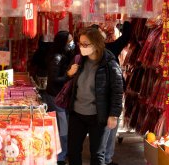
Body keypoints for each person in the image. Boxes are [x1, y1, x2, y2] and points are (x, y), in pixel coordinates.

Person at [67, 27, 124, 165]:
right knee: (73, 151)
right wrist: (69, 73)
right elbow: (69, 82)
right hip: (77, 113)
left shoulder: (110, 63)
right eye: (80, 43)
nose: (82, 47)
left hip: (98, 117)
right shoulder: (79, 60)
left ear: (96, 44)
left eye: (85, 44)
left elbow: (117, 91)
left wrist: (114, 115)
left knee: (97, 155)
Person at [43, 30, 75, 165]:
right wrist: (68, 75)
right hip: (55, 96)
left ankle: (62, 154)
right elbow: (54, 79)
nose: (72, 44)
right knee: (62, 128)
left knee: (63, 126)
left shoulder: (63, 55)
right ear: (63, 43)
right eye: (69, 41)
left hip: (60, 97)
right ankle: (60, 157)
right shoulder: (57, 57)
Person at [103, 21, 131, 165]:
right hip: (109, 96)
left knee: (105, 129)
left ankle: (104, 158)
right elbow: (126, 37)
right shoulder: (111, 49)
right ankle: (105, 158)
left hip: (100, 97)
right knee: (108, 128)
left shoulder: (88, 52)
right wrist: (127, 21)